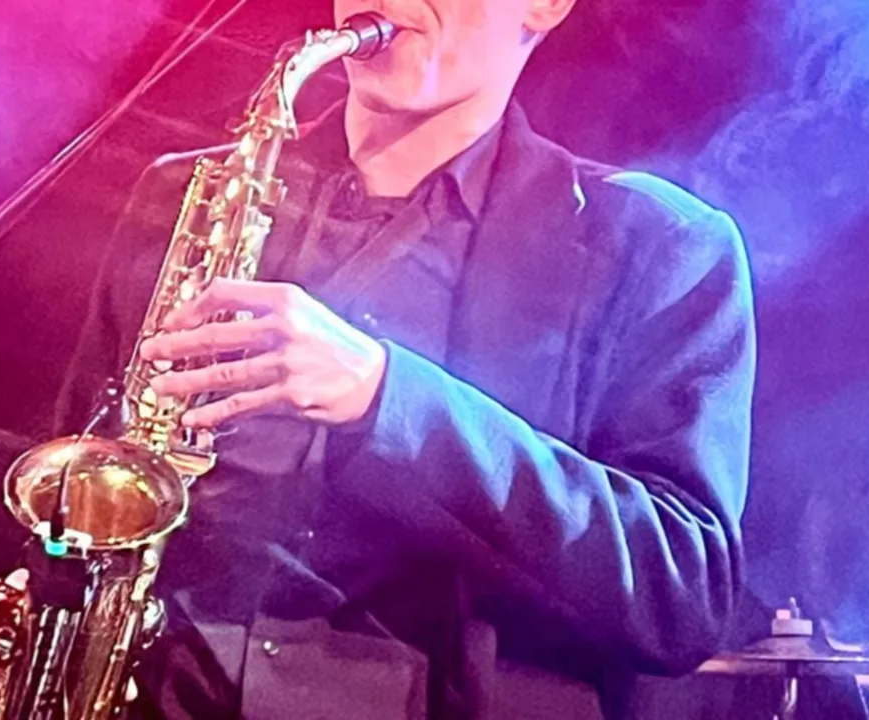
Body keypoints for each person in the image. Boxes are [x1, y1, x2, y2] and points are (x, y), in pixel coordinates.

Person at [54, 0, 757, 717]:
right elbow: (77, 484)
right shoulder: (186, 197)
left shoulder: (659, 245)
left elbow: (680, 596)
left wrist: (387, 397)